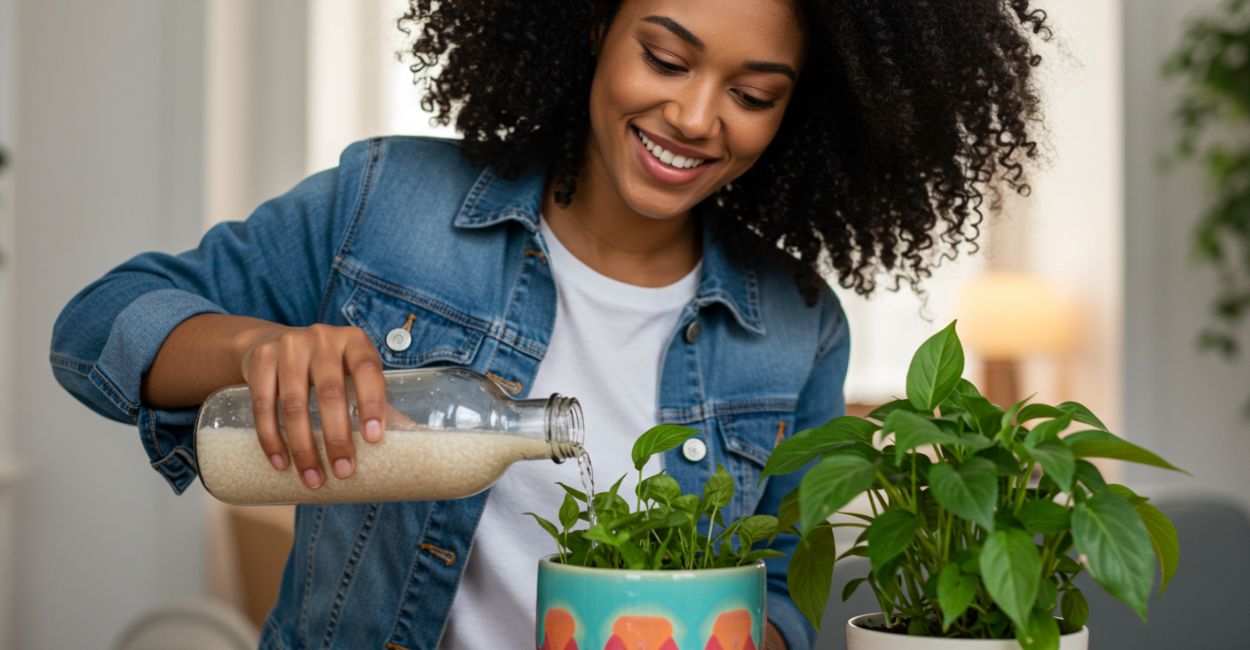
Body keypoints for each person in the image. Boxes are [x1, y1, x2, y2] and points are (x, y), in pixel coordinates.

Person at [49, 0, 1049, 648]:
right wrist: (258, 347)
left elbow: (780, 596)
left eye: (751, 94)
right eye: (664, 56)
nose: (698, 116)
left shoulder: (794, 328)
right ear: (590, 28)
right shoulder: (388, 205)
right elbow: (96, 327)